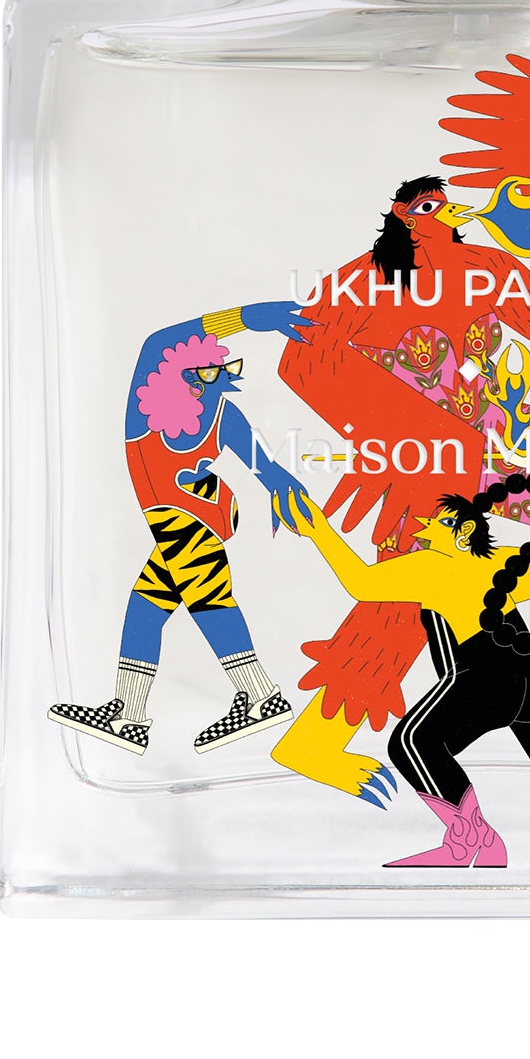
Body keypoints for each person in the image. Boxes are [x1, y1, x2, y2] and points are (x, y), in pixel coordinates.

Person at [288, 471, 530, 866]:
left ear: (462, 532)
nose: (424, 524)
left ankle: (473, 843)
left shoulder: (432, 566)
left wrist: (319, 530)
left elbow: (361, 583)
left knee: (412, 743)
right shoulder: (506, 560)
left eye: (436, 520)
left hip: (485, 679)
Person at [49, 301, 311, 757]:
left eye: (225, 370)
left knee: (210, 602)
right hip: (181, 520)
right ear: (180, 377)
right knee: (146, 609)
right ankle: (129, 716)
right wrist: (247, 318)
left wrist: (280, 488)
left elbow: (264, 466)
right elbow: (160, 342)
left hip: (195, 521)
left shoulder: (225, 415)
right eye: (209, 372)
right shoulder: (146, 413)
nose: (221, 379)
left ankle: (262, 697)